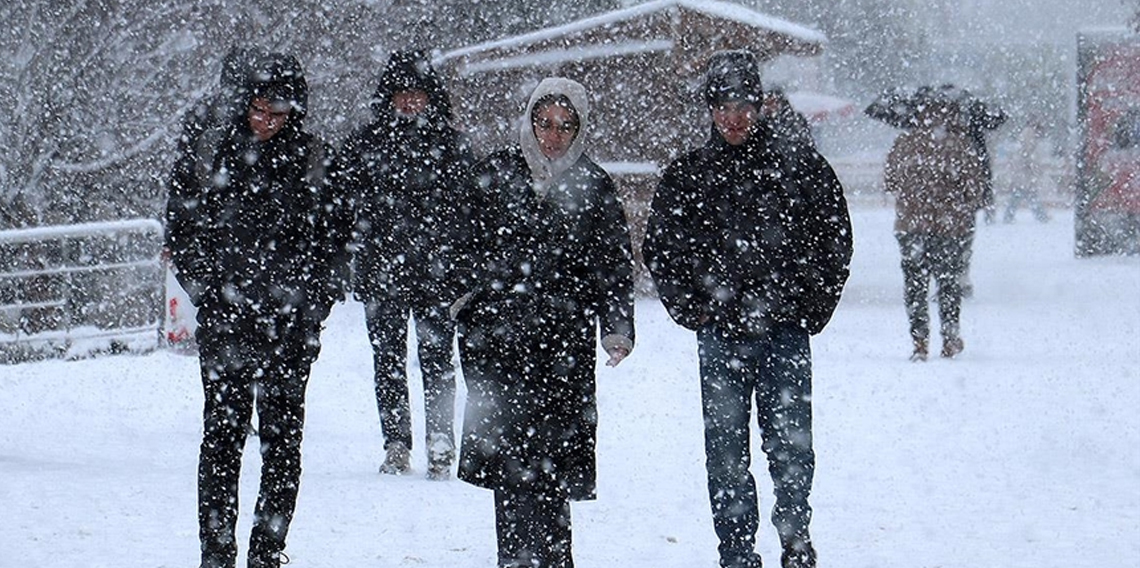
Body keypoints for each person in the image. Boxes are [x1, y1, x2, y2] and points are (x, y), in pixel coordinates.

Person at [642, 50, 852, 568]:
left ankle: (795, 539)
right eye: (722, 106)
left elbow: (834, 238)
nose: (733, 117)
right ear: (709, 110)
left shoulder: (799, 165)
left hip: (785, 331)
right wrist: (695, 308)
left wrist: (811, 304)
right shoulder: (688, 174)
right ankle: (736, 551)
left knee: (792, 447)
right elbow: (662, 249)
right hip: (722, 335)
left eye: (742, 105)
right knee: (726, 452)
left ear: (759, 105)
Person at [166, 52, 353, 568]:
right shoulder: (210, 153)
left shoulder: (317, 160)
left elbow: (337, 242)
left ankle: (268, 552)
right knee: (222, 440)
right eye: (257, 109)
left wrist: (313, 306)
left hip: (291, 327)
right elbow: (182, 231)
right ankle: (216, 552)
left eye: (277, 111)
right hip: (227, 321)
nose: (265, 121)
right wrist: (209, 290)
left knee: (282, 443)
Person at [449, 77, 636, 568]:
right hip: (498, 342)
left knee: (552, 467)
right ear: (529, 122)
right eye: (545, 123)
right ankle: (512, 560)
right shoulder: (496, 174)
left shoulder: (592, 184)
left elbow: (613, 264)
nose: (554, 135)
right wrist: (464, 302)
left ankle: (555, 560)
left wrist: (616, 328)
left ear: (579, 128)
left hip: (562, 348)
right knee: (510, 469)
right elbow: (461, 245)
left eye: (566, 125)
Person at [340, 50, 474, 479]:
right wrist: (356, 261)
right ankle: (396, 441)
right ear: (389, 97)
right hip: (383, 272)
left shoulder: (454, 147)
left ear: (432, 97)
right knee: (388, 359)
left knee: (438, 358)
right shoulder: (364, 146)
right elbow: (345, 209)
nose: (410, 103)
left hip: (439, 273)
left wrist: (460, 265)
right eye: (403, 94)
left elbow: (471, 211)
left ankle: (440, 440)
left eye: (418, 94)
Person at [883, 91, 986, 361]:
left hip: (911, 226)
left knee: (915, 285)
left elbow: (890, 182)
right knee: (948, 284)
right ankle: (950, 337)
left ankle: (919, 340)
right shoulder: (961, 146)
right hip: (949, 228)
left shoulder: (904, 143)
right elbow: (974, 190)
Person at [1003, 119, 1051, 223]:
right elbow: (1028, 151)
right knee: (1028, 194)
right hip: (1025, 171)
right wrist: (1033, 165)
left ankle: (1009, 216)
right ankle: (1041, 216)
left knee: (1019, 195)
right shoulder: (1029, 134)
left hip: (1022, 170)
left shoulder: (1026, 133)